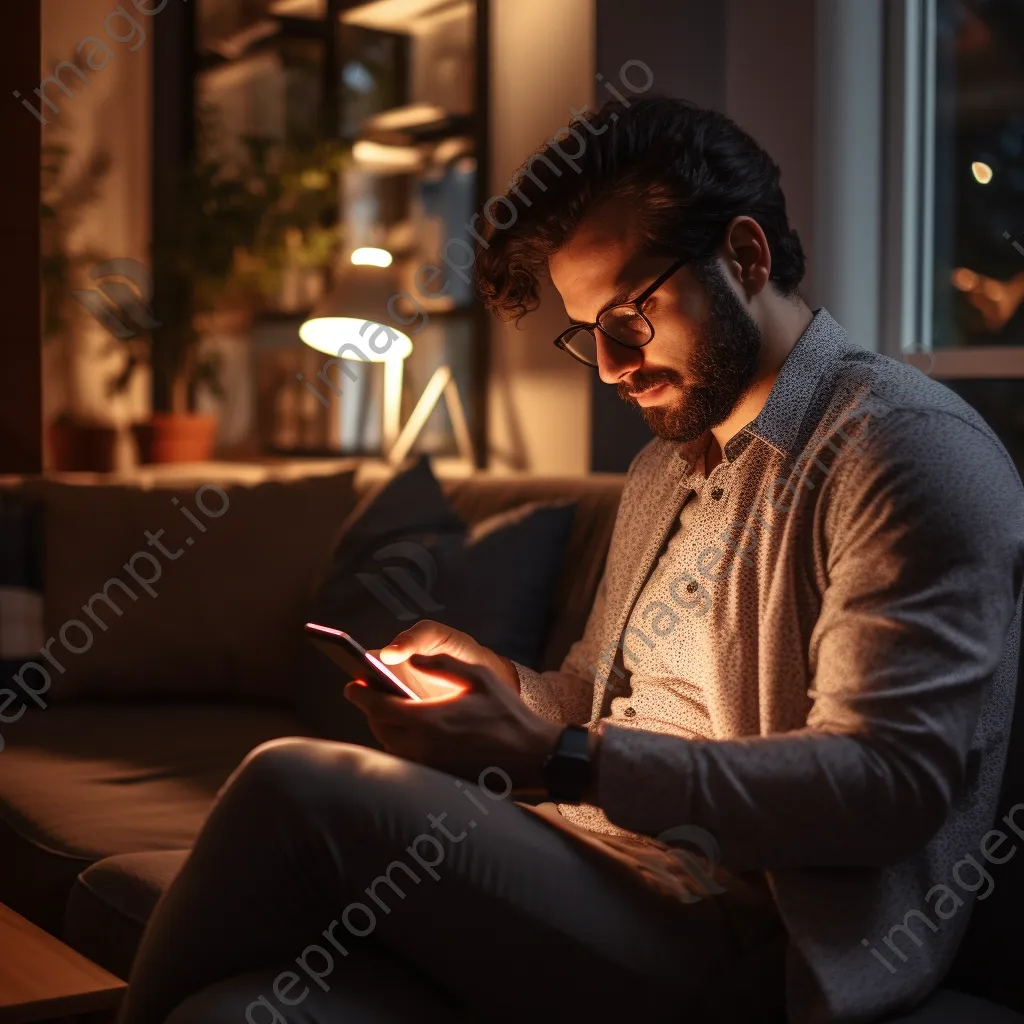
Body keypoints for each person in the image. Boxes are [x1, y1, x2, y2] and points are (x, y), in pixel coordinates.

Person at [119, 97, 1024, 1024]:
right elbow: (598, 696)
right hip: (595, 860)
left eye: (631, 313)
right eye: (585, 328)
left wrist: (560, 758)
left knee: (291, 784)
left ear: (746, 257)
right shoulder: (664, 467)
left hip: (762, 931)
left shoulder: (903, 453)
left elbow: (888, 786)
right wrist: (504, 688)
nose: (608, 364)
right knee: (236, 1010)